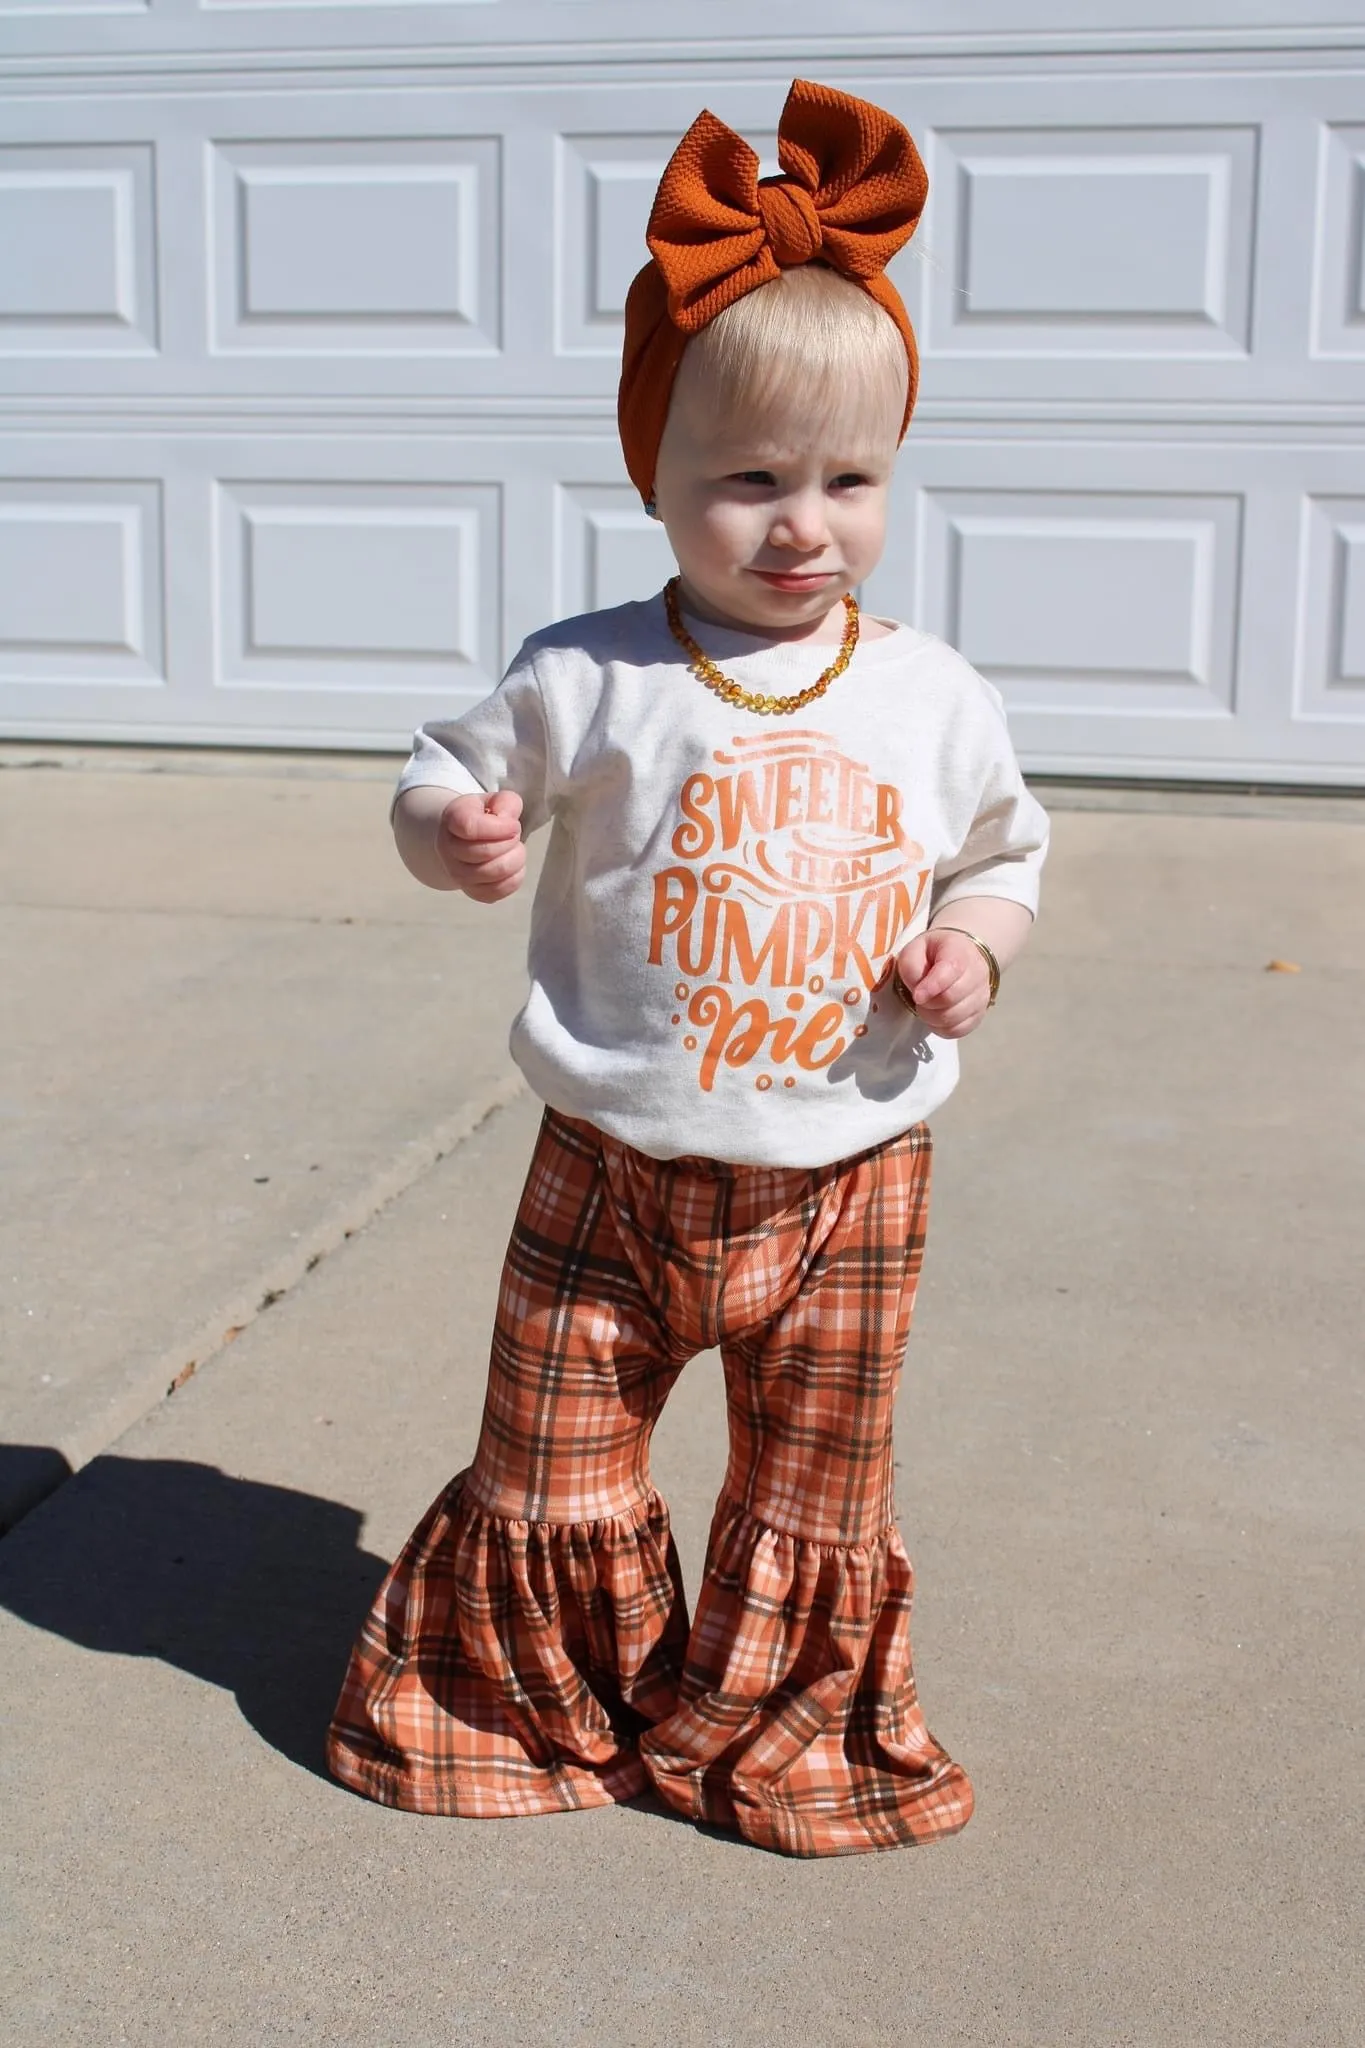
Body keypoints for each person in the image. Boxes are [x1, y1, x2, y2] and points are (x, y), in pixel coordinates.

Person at [326, 78, 1048, 1858]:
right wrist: (458, 838)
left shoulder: (934, 693)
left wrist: (973, 943)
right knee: (550, 1462)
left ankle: (779, 1738)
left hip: (851, 1175)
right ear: (653, 470)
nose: (802, 524)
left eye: (849, 480)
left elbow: (1005, 851)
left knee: (819, 1487)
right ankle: (529, 1713)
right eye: (747, 481)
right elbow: (441, 780)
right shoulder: (588, 672)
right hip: (613, 1169)